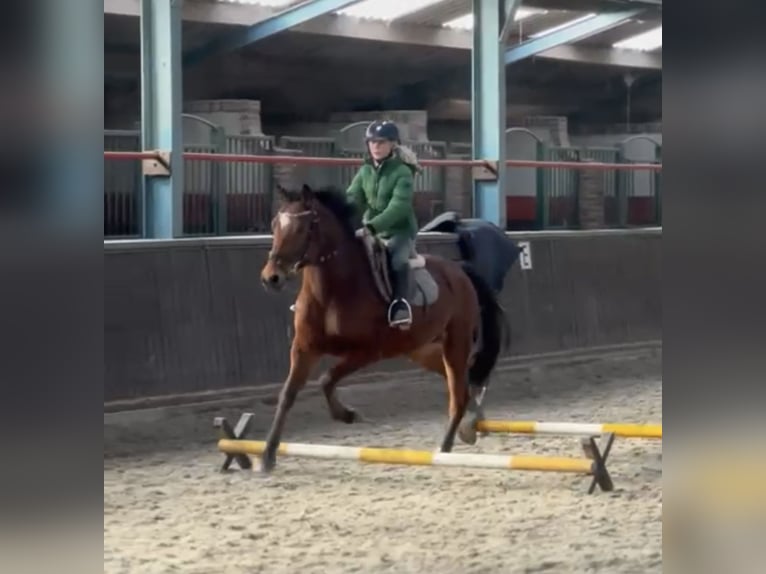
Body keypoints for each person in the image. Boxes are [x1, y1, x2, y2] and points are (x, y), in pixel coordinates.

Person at [346, 120, 421, 328]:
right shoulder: (364, 172)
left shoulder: (402, 172)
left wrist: (371, 227)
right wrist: (341, 214)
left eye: (382, 142)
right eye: (372, 142)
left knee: (397, 261)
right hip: (371, 230)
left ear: (393, 145)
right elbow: (353, 198)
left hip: (399, 231)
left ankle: (400, 305)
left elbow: (398, 208)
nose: (376, 147)